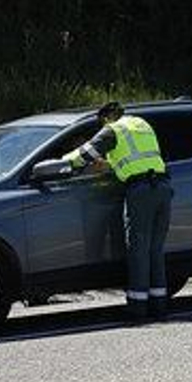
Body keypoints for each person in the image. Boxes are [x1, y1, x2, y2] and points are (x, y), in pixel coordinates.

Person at [60, 102, 174, 319]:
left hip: (141, 190)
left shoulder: (114, 130)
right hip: (162, 187)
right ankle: (159, 304)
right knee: (155, 249)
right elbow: (138, 158)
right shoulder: (142, 124)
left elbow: (86, 154)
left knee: (138, 249)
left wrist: (61, 162)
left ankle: (138, 307)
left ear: (107, 117)